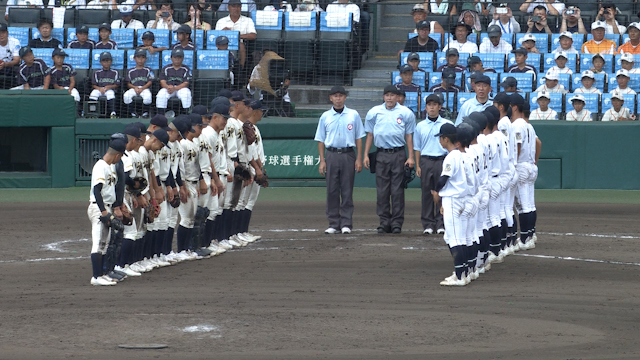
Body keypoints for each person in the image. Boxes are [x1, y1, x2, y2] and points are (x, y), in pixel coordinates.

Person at [363, 85, 416, 234]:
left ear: (397, 97)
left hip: (399, 153)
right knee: (382, 190)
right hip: (381, 154)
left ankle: (397, 223)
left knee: (397, 190)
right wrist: (366, 154)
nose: (390, 98)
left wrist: (411, 156)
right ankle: (384, 221)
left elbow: (409, 136)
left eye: (392, 95)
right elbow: (370, 135)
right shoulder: (374, 112)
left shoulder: (406, 113)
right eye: (387, 95)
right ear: (383, 97)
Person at [315, 86, 365, 234]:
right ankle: (333, 223)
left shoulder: (353, 115)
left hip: (348, 154)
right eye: (335, 96)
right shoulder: (325, 116)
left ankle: (346, 224)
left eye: (341, 96)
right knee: (332, 190)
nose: (338, 98)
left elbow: (359, 138)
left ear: (345, 97)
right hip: (331, 154)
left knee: (347, 190)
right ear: (330, 98)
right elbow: (320, 140)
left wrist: (359, 159)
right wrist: (322, 160)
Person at [431, 122, 476, 286]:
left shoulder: (452, 156)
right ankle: (465, 272)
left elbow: (444, 179)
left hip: (453, 200)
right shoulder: (463, 156)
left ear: (445, 139)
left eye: (441, 138)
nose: (440, 141)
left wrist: (435, 191)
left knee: (454, 238)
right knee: (461, 237)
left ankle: (460, 275)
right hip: (464, 198)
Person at [88, 138, 126, 286]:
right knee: (98, 243)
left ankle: (102, 274)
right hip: (98, 207)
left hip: (107, 207)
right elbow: (96, 190)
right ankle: (96, 277)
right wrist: (103, 211)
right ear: (117, 155)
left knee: (104, 243)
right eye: (121, 156)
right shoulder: (100, 166)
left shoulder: (109, 167)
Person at [414, 93, 452, 235]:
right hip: (426, 160)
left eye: (434, 105)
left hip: (442, 160)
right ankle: (428, 224)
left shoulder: (447, 124)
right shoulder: (420, 126)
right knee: (426, 193)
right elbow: (417, 147)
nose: (431, 107)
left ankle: (441, 222)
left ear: (439, 107)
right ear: (426, 107)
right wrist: (418, 165)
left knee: (442, 192)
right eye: (429, 105)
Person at [215, 0, 257, 68]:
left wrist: (236, 36)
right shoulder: (221, 21)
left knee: (241, 45)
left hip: (239, 45)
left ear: (241, 8)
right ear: (228, 7)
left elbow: (253, 35)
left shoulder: (248, 20)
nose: (236, 9)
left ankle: (241, 69)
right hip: (224, 44)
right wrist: (223, 32)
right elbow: (215, 37)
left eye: (238, 6)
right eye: (233, 6)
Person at [157, 48, 192, 115]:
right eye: (175, 57)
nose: (177, 59)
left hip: (180, 89)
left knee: (186, 93)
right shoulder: (166, 68)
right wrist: (168, 87)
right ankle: (160, 115)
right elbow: (162, 81)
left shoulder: (186, 69)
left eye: (179, 57)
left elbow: (186, 83)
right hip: (168, 88)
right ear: (171, 58)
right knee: (161, 94)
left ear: (182, 58)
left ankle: (187, 114)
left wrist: (175, 88)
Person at [124, 48, 155, 118]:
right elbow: (128, 83)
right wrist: (134, 87)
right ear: (134, 58)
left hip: (145, 88)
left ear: (146, 59)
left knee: (148, 97)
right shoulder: (130, 71)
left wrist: (142, 88)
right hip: (134, 88)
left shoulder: (148, 70)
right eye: (138, 57)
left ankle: (145, 113)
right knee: (126, 96)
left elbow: (150, 81)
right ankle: (133, 113)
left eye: (143, 57)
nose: (140, 60)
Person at [89, 52, 120, 117]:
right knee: (93, 94)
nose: (106, 63)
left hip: (110, 89)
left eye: (108, 61)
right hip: (99, 89)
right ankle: (92, 113)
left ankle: (113, 113)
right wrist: (99, 88)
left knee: (110, 94)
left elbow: (117, 84)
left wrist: (109, 87)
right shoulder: (97, 72)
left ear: (111, 61)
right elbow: (93, 85)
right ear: (100, 62)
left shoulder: (115, 72)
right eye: (104, 61)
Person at [0, 24, 21, 89]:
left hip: (11, 67)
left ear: (7, 33)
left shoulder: (15, 42)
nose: (1, 35)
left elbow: (16, 60)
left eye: (3, 32)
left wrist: (5, 64)